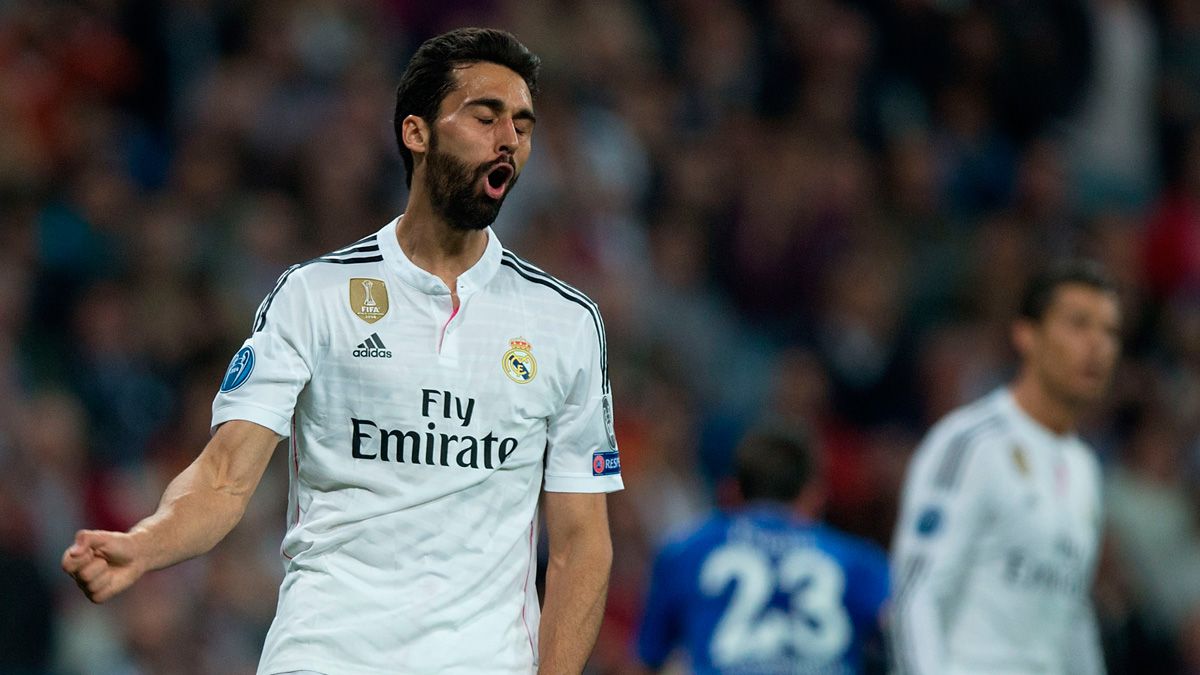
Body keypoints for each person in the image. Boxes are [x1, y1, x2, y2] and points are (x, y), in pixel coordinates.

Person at [62, 27, 623, 675]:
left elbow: (582, 543)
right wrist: (146, 543)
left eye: (522, 125)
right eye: (485, 116)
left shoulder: (565, 322)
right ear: (416, 132)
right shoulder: (315, 296)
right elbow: (223, 476)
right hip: (326, 654)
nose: (509, 140)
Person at [890, 260, 1120, 674]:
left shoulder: (1085, 469)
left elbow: (1071, 617)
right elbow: (916, 596)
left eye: (1109, 332)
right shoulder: (972, 444)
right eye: (1078, 324)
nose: (1096, 346)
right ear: (1026, 334)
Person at [636, 427, 890, 674]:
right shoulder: (856, 560)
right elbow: (906, 633)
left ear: (732, 490)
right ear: (813, 494)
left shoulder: (685, 552)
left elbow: (646, 661)